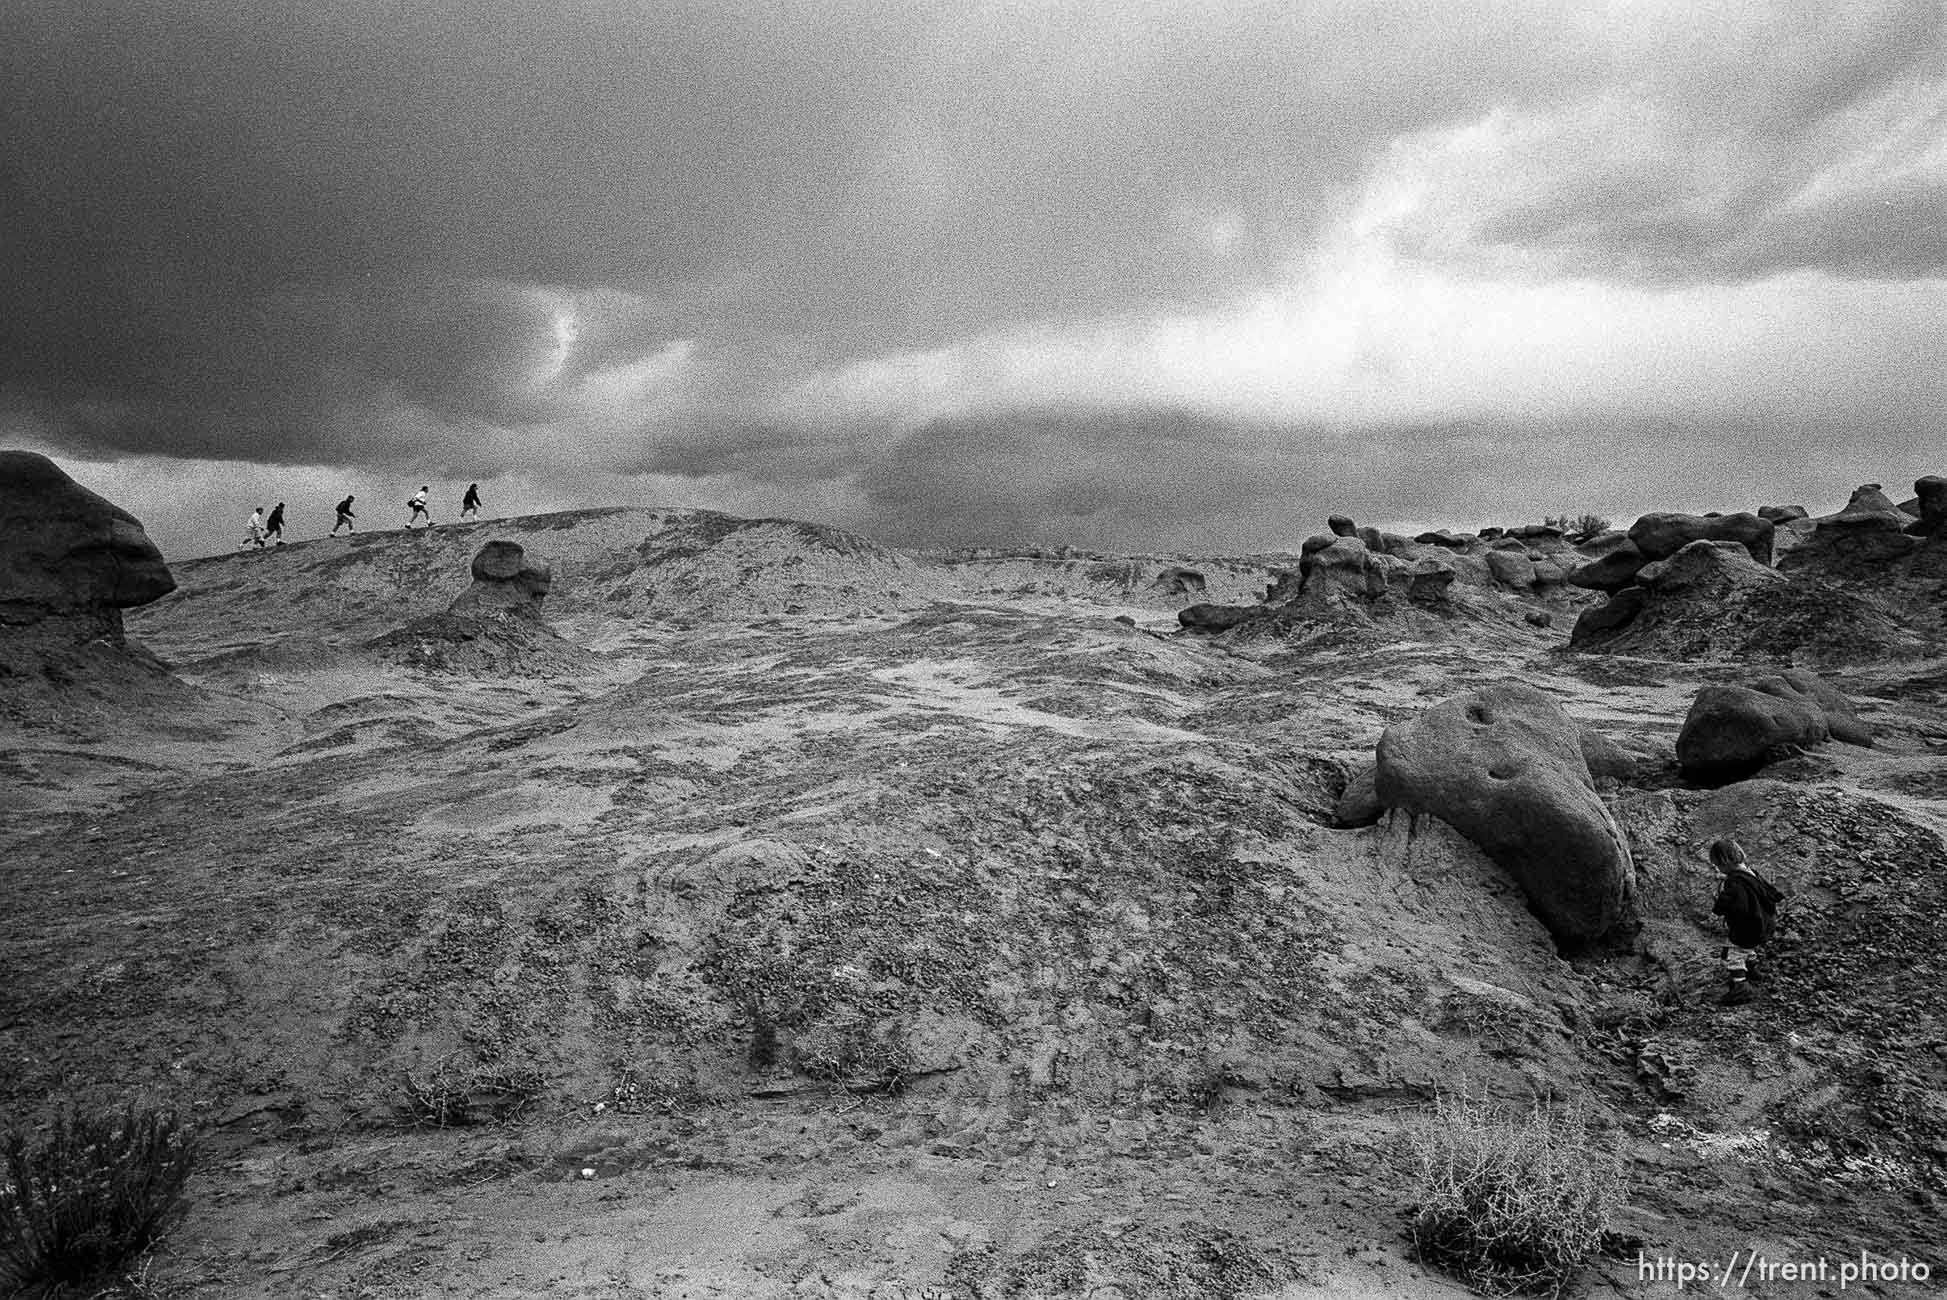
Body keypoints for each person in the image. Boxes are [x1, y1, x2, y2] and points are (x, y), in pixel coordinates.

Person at [1709, 838, 1782, 1005]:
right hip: (1764, 922)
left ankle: (1740, 987)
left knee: (1732, 953)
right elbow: (1769, 891)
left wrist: (1719, 907)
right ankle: (1752, 971)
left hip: (1747, 926)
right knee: (1747, 947)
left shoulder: (1734, 883)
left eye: (1718, 865)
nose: (1717, 869)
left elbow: (1736, 903)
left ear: (1725, 862)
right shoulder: (1752, 873)